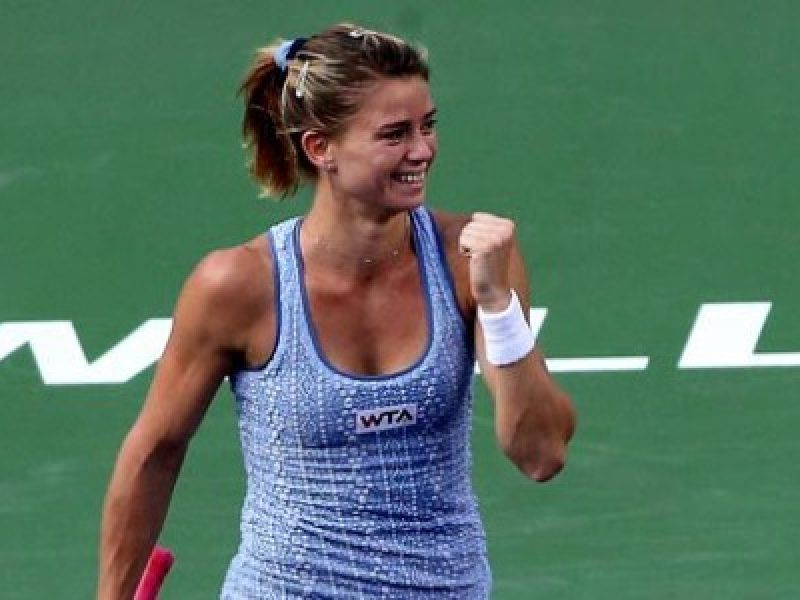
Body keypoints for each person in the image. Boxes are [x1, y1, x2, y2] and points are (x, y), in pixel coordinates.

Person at [97, 22, 576, 599]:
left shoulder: (470, 260)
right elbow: (154, 453)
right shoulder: (238, 285)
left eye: (427, 126)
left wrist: (497, 305)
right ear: (320, 148)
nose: (422, 150)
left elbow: (541, 454)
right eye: (394, 134)